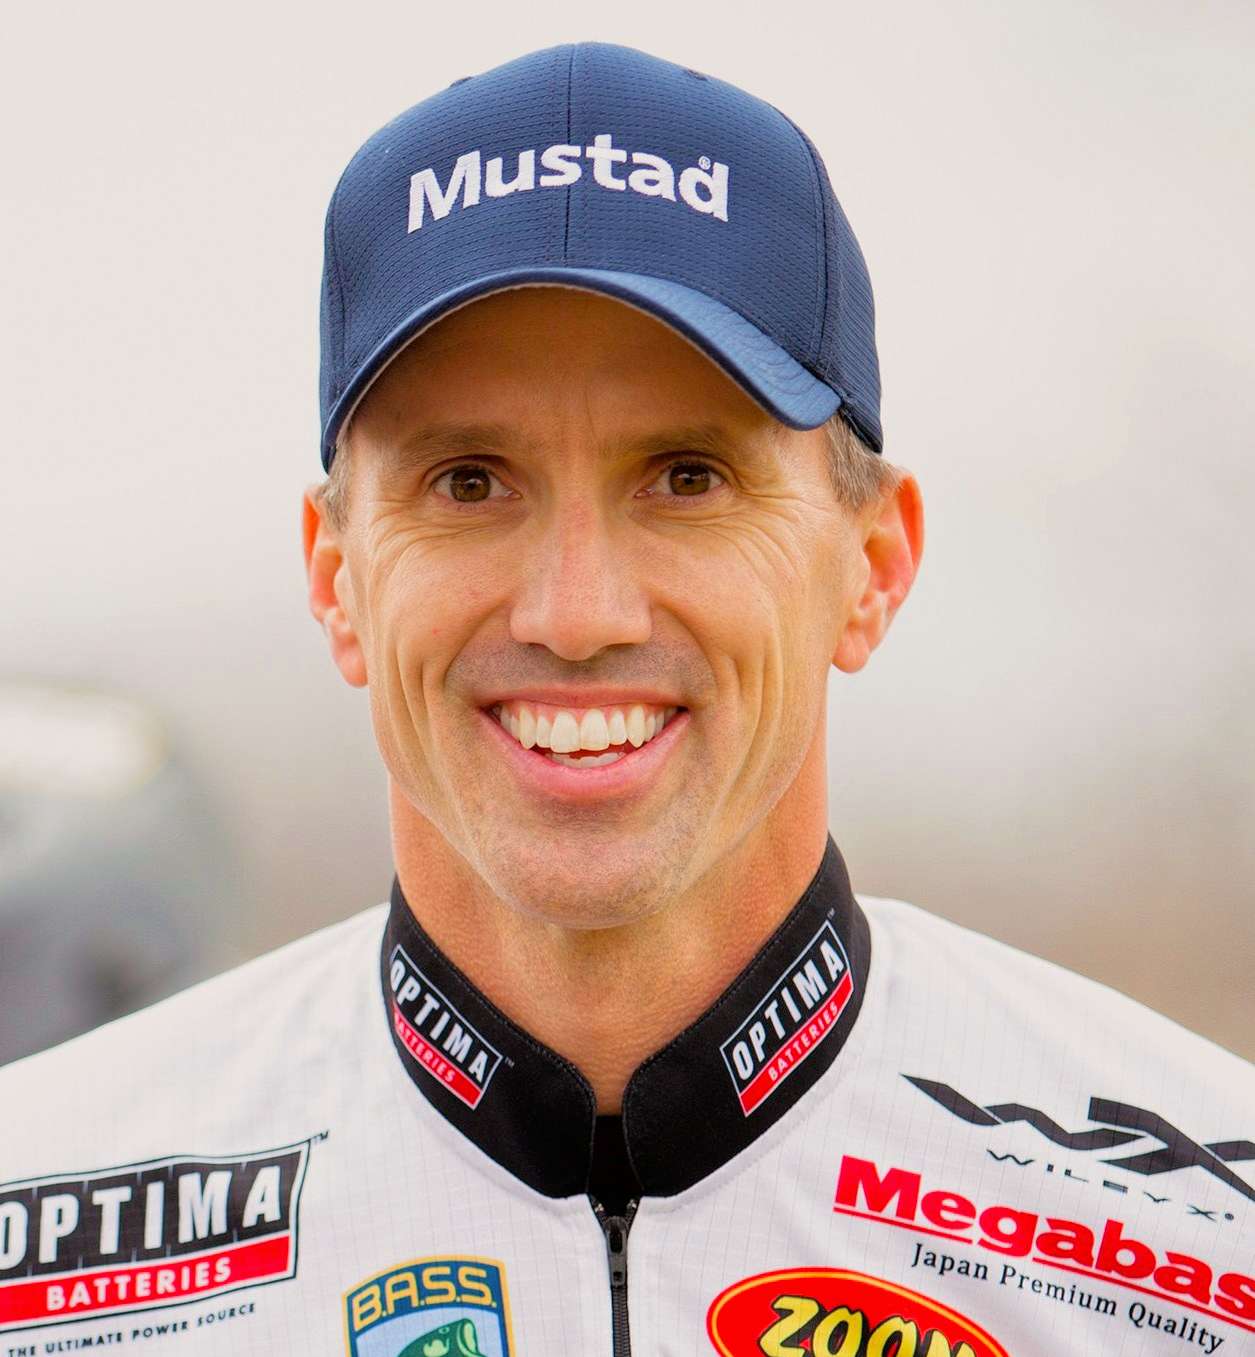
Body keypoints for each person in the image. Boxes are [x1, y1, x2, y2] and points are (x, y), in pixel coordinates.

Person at [1, 41, 1251, 1357]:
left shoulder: (1210, 1262)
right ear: (336, 576)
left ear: (874, 564)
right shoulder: (37, 1245)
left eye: (688, 477)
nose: (577, 612)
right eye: (469, 482)